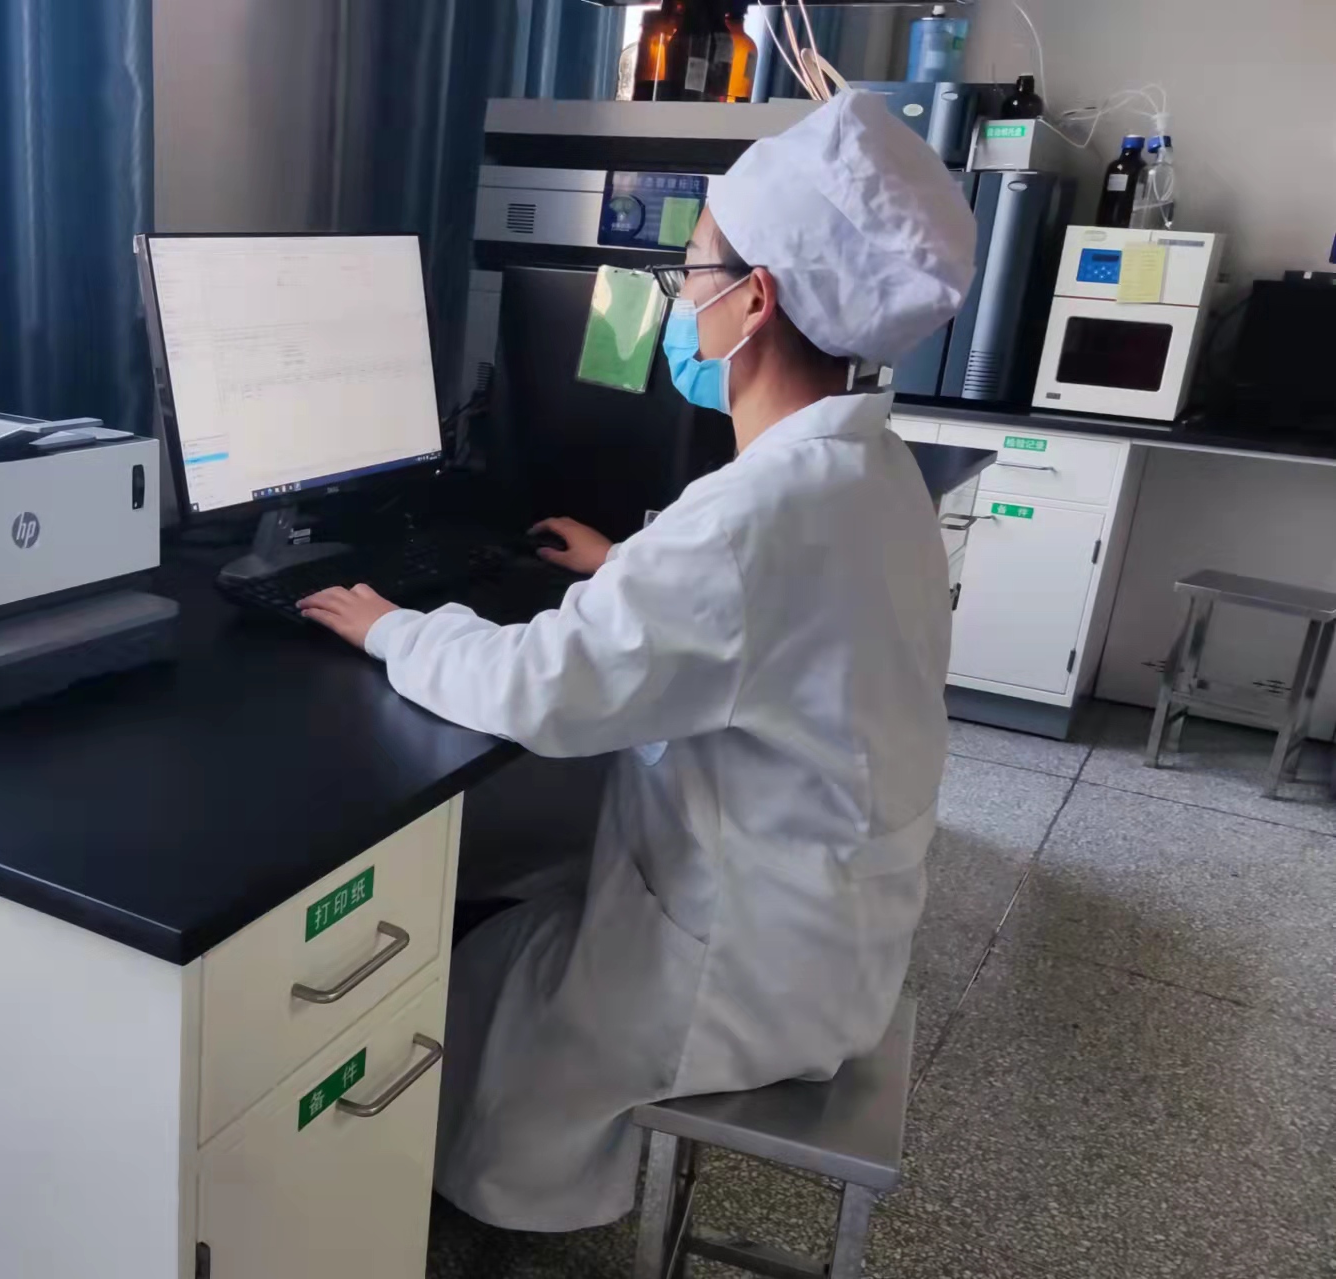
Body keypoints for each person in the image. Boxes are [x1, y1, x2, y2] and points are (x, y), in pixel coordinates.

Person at [299, 89, 978, 1232]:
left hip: (738, 973)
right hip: (825, 919)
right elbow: (775, 618)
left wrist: (389, 627)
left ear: (754, 299)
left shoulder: (760, 515)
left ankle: (411, 1203)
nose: (677, 291)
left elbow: (536, 687)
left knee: (480, 988)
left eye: (693, 265)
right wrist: (627, 564)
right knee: (523, 868)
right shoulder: (865, 469)